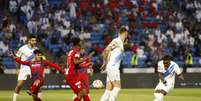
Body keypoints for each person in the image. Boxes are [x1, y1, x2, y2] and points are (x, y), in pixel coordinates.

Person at [100, 26, 128, 101]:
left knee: (108, 90)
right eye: (126, 34)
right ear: (125, 33)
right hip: (113, 67)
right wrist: (104, 63)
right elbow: (106, 50)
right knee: (117, 87)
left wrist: (105, 63)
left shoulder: (120, 43)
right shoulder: (117, 40)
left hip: (111, 67)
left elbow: (109, 53)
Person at [13, 35, 38, 101]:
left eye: (35, 40)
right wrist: (17, 69)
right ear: (29, 41)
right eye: (33, 40)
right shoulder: (22, 48)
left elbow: (39, 60)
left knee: (37, 86)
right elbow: (17, 59)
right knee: (19, 85)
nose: (34, 42)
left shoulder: (37, 49)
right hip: (24, 68)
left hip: (33, 68)